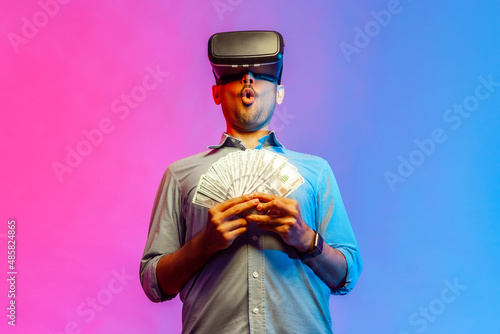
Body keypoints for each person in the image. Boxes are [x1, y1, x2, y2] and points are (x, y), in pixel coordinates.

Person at [140, 30, 362, 334]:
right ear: (217, 93)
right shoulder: (180, 175)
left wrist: (306, 239)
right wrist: (204, 244)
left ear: (280, 93)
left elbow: (346, 275)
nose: (248, 80)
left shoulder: (317, 171)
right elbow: (154, 284)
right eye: (236, 75)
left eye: (260, 74)